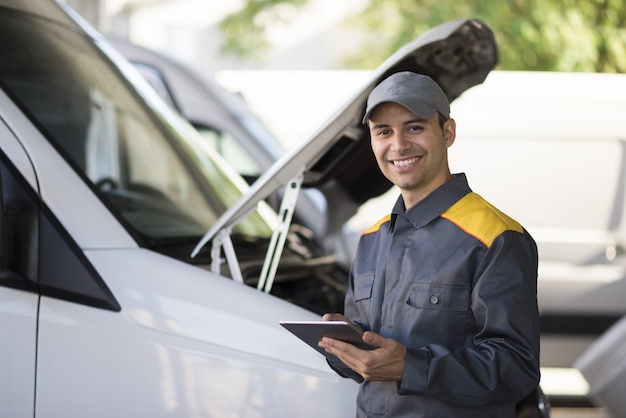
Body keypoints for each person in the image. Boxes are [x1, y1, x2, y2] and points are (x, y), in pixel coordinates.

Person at [319, 71, 541, 417]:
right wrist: (344, 349)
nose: (399, 145)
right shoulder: (370, 240)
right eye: (383, 132)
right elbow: (369, 362)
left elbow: (516, 368)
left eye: (414, 127)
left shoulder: (495, 237)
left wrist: (410, 367)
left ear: (447, 132)